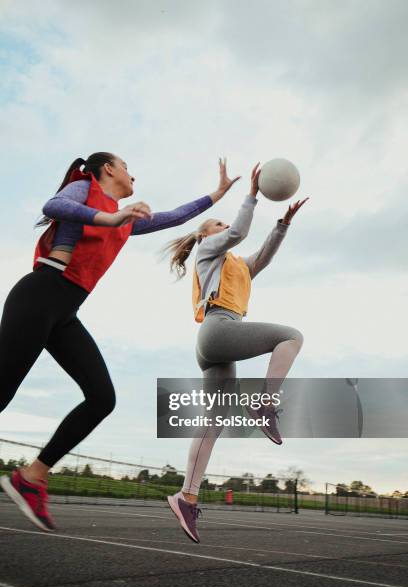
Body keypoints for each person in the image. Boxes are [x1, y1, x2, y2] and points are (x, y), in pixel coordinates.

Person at [0, 152, 239, 531]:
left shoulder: (124, 222)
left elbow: (175, 217)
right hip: (39, 294)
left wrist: (216, 194)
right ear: (108, 169)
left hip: (64, 312)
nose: (133, 174)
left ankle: (31, 478)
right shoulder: (85, 188)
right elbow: (53, 204)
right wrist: (112, 216)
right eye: (126, 165)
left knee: (102, 398)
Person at [163, 162, 308, 542]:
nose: (224, 228)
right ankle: (264, 403)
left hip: (216, 345)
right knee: (290, 336)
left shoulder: (238, 267)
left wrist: (284, 225)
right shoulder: (208, 251)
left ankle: (186, 496)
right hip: (218, 329)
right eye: (218, 224)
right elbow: (242, 231)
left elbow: (262, 257)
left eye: (224, 225)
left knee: (214, 421)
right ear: (204, 236)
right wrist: (251, 195)